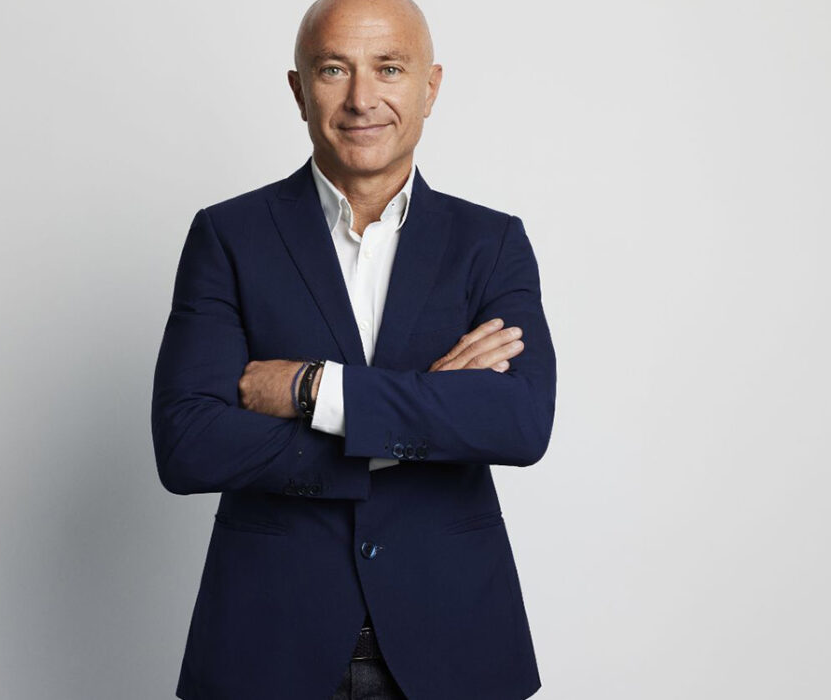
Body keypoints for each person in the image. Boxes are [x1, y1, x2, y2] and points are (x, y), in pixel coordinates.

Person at [151, 0, 556, 697]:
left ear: (430, 87)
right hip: (268, 644)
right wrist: (428, 415)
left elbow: (518, 424)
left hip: (456, 644)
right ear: (299, 90)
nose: (362, 98)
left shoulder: (490, 243)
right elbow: (188, 445)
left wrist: (315, 390)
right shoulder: (228, 237)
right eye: (334, 69)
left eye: (389, 69)